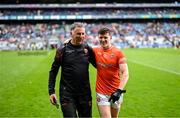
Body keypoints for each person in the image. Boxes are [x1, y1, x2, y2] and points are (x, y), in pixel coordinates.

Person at [48, 22, 96, 117]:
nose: (81, 36)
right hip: (67, 94)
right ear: (71, 33)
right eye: (78, 33)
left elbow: (99, 66)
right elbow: (53, 71)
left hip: (85, 93)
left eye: (83, 33)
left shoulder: (87, 49)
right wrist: (51, 91)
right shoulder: (62, 50)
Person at [93, 27, 129, 118]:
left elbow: (125, 73)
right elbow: (81, 46)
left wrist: (119, 90)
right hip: (101, 92)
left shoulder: (118, 53)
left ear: (110, 38)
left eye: (105, 37)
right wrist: (69, 40)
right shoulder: (95, 51)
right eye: (101, 37)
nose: (103, 40)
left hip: (116, 92)